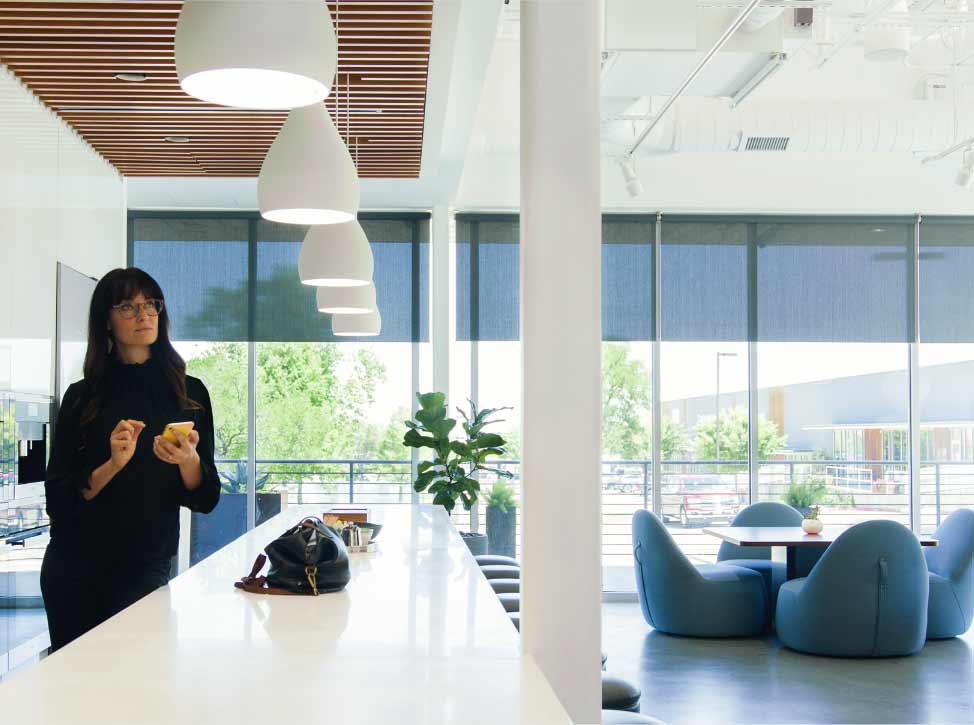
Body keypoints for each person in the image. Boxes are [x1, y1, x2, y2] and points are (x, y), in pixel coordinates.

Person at [40, 267, 221, 651]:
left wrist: (187, 460)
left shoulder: (189, 393)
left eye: (151, 304)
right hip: (75, 566)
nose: (144, 315)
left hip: (145, 564)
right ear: (106, 320)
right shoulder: (81, 397)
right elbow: (58, 499)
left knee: (141, 693)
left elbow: (206, 498)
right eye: (128, 306)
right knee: (76, 697)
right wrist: (112, 465)